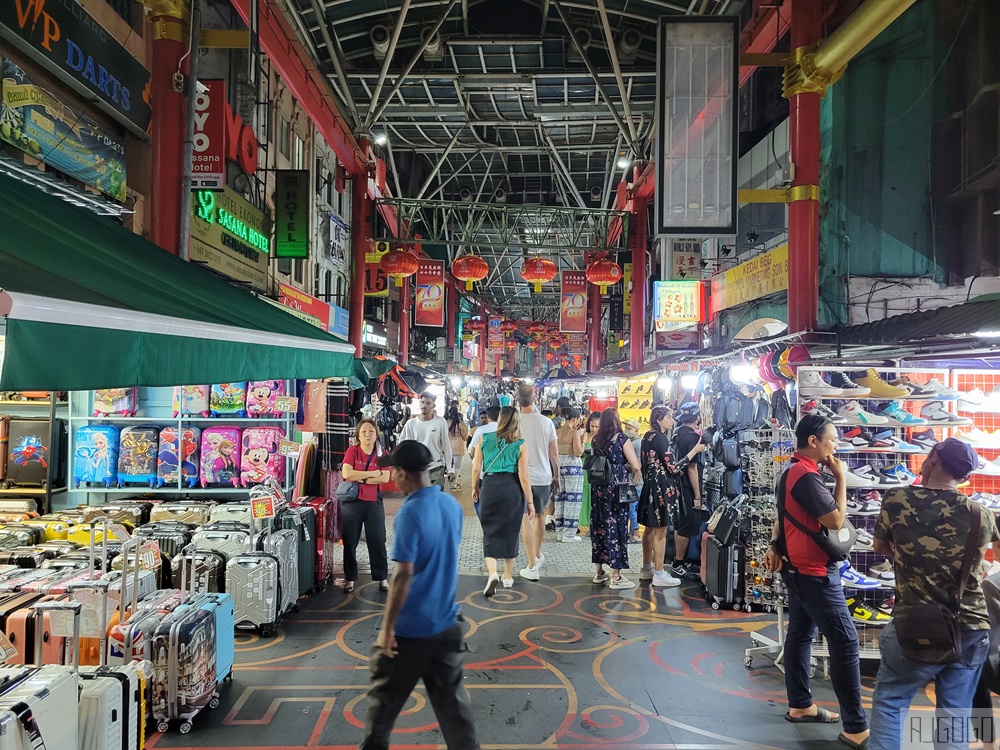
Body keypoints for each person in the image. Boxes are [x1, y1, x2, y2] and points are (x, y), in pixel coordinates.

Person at [869, 438, 999, 750]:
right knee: (955, 715)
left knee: (891, 702)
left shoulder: (897, 499)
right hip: (970, 625)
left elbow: (880, 546)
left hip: (916, 621)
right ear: (965, 476)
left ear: (933, 459)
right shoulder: (981, 514)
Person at [360, 441, 479, 750]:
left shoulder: (410, 512)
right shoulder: (451, 505)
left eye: (392, 472)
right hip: (447, 624)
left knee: (382, 710)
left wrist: (387, 629)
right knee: (456, 714)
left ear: (402, 473)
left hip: (410, 632)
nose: (391, 478)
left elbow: (402, 575)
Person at [764, 414, 869, 749]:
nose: (834, 446)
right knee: (846, 642)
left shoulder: (790, 470)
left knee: (800, 634)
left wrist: (775, 545)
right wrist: (841, 479)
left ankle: (801, 705)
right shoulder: (807, 475)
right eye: (832, 439)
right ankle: (855, 726)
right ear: (813, 440)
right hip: (813, 573)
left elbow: (781, 515)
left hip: (798, 568)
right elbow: (837, 521)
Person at [638, 406, 707, 588]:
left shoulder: (647, 437)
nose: (672, 420)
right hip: (661, 490)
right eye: (668, 417)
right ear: (659, 420)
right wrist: (694, 451)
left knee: (649, 530)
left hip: (650, 487)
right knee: (660, 531)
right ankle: (659, 573)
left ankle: (647, 568)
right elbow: (674, 467)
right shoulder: (660, 439)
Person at [471, 407, 535, 595]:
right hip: (512, 488)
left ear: (499, 419)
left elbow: (476, 469)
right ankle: (507, 576)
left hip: (490, 485)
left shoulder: (484, 438)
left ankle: (492, 573)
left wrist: (475, 487)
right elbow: (524, 476)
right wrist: (530, 502)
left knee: (489, 530)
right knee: (511, 531)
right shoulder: (521, 444)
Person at [589, 408, 641, 589]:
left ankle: (599, 572)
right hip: (616, 490)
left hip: (598, 489)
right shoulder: (621, 439)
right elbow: (635, 466)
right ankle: (616, 576)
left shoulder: (596, 439)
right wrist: (632, 482)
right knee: (616, 526)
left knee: (599, 526)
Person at [339, 419, 392, 593]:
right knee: (350, 541)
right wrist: (370, 475)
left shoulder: (383, 454)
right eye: (364, 431)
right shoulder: (352, 451)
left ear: (376, 434)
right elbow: (346, 473)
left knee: (377, 540)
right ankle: (350, 578)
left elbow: (384, 478)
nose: (368, 434)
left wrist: (358, 476)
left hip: (373, 503)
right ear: (358, 435)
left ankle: (382, 577)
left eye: (371, 431)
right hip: (352, 503)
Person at [514, 384, 559, 582]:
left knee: (526, 518)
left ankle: (532, 565)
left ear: (517, 399)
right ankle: (537, 555)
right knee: (540, 515)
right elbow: (554, 453)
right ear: (535, 397)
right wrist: (556, 476)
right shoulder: (546, 422)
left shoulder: (513, 422)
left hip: (520, 476)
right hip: (543, 477)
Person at [671, 402, 706, 579]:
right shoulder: (692, 438)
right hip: (687, 488)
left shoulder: (678, 433)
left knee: (679, 524)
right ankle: (678, 563)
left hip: (677, 485)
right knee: (686, 527)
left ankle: (679, 561)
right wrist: (697, 496)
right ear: (698, 417)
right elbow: (692, 468)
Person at [398, 392, 453, 489]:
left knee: (435, 497)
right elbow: (402, 446)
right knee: (419, 498)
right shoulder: (411, 424)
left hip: (436, 467)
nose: (424, 406)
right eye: (422, 402)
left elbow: (446, 446)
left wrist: (450, 469)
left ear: (433, 406)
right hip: (416, 469)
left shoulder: (440, 422)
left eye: (428, 403)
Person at [554, 407, 585, 543]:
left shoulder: (557, 431)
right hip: (572, 466)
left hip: (559, 464)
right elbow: (578, 452)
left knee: (560, 498)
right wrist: (584, 440)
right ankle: (569, 533)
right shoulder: (574, 433)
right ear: (575, 419)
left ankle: (560, 531)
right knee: (573, 499)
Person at [578, 410, 602, 536]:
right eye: (592, 426)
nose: (594, 429)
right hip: (584, 470)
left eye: (597, 427)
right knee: (584, 495)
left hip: (597, 471)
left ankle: (594, 524)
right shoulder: (584, 435)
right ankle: (584, 524)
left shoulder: (603, 438)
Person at [622, 418, 643, 544]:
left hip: (635, 482)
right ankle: (632, 532)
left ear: (636, 430)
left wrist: (634, 483)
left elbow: (638, 466)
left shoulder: (637, 443)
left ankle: (635, 532)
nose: (627, 430)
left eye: (630, 428)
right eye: (626, 428)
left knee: (631, 507)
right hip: (632, 481)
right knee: (631, 507)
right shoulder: (631, 442)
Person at [446, 406, 469, 492]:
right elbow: (465, 437)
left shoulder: (446, 423)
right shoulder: (461, 424)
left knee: (450, 467)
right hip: (458, 447)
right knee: (457, 468)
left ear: (449, 414)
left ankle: (452, 482)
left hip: (448, 447)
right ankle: (453, 484)